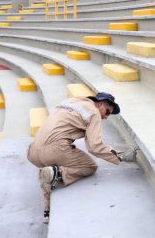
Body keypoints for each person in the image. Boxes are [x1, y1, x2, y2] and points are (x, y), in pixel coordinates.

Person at [26, 92, 137, 224]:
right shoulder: (94, 112)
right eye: (107, 112)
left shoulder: (70, 101)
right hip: (54, 150)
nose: (106, 117)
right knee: (90, 166)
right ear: (100, 104)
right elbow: (94, 147)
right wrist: (123, 156)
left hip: (32, 152)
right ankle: (58, 172)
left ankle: (47, 210)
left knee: (47, 171)